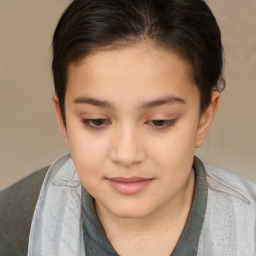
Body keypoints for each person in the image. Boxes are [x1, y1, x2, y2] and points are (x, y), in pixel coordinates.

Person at [0, 0, 255, 255]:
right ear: (63, 118)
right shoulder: (12, 229)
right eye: (96, 121)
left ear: (204, 117)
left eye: (159, 121)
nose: (126, 155)